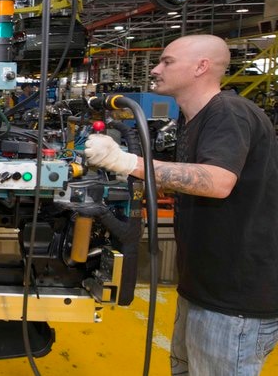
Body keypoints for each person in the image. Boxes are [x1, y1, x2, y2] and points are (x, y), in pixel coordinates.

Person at [84, 34, 278, 376]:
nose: (156, 69)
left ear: (201, 67)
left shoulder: (229, 112)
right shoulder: (192, 119)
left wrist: (128, 163)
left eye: (167, 62)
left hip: (236, 300)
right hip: (203, 285)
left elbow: (218, 182)